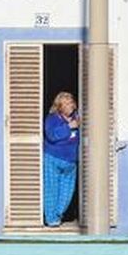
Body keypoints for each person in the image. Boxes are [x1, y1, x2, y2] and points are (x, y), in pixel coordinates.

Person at [42, 92, 80, 227]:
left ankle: (58, 213)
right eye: (67, 103)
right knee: (51, 189)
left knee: (67, 192)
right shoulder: (52, 119)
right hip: (53, 158)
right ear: (59, 106)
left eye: (72, 102)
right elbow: (52, 136)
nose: (71, 105)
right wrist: (68, 127)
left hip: (71, 161)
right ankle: (51, 219)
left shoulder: (77, 117)